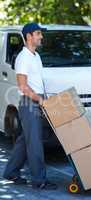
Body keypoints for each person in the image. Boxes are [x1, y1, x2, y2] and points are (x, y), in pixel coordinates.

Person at [3, 22, 57, 190]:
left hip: (37, 100)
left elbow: (37, 81)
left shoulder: (36, 56)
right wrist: (39, 100)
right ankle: (39, 180)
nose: (41, 37)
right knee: (34, 143)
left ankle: (11, 172)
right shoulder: (23, 57)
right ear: (28, 36)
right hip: (29, 103)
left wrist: (45, 97)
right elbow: (23, 86)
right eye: (38, 33)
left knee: (24, 140)